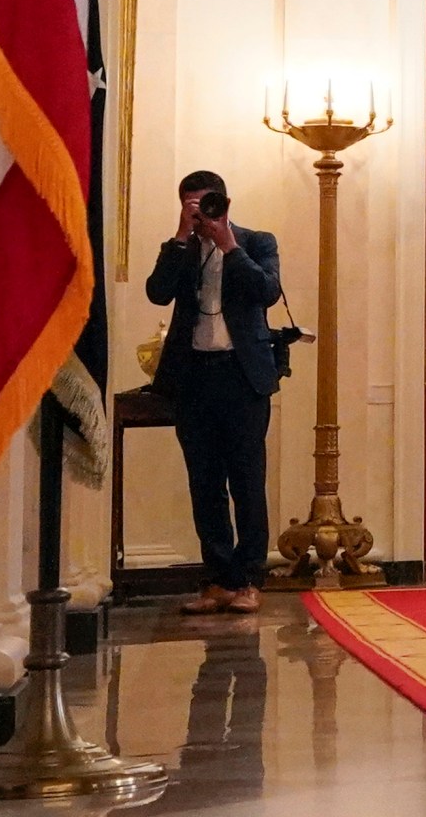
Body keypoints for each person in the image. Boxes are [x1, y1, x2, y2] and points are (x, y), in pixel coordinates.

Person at [144, 169, 285, 616]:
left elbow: (267, 291)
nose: (202, 213)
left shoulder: (257, 241)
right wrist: (182, 236)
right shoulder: (182, 250)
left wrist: (228, 245)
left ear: (225, 203)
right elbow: (156, 293)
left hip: (242, 378)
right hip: (194, 378)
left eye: (208, 204)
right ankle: (220, 579)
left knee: (246, 481)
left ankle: (250, 580)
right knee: (204, 484)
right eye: (192, 205)